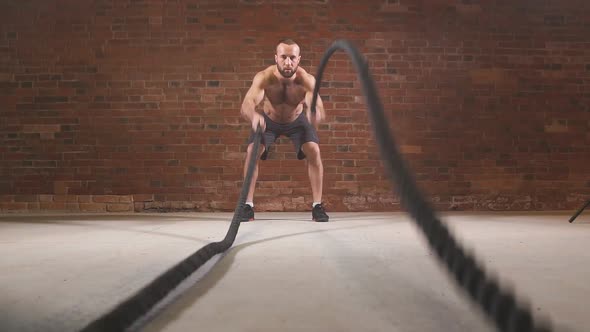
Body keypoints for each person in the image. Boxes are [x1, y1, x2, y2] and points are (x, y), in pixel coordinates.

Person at [239, 38, 329, 222]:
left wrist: (315, 113)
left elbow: (317, 104)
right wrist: (254, 116)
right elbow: (247, 104)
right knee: (251, 151)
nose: (288, 63)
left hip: (296, 121)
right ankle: (247, 206)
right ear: (276, 58)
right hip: (268, 121)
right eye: (283, 57)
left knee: (314, 150)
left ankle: (317, 205)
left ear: (299, 59)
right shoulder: (265, 77)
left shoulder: (306, 80)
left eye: (292, 58)